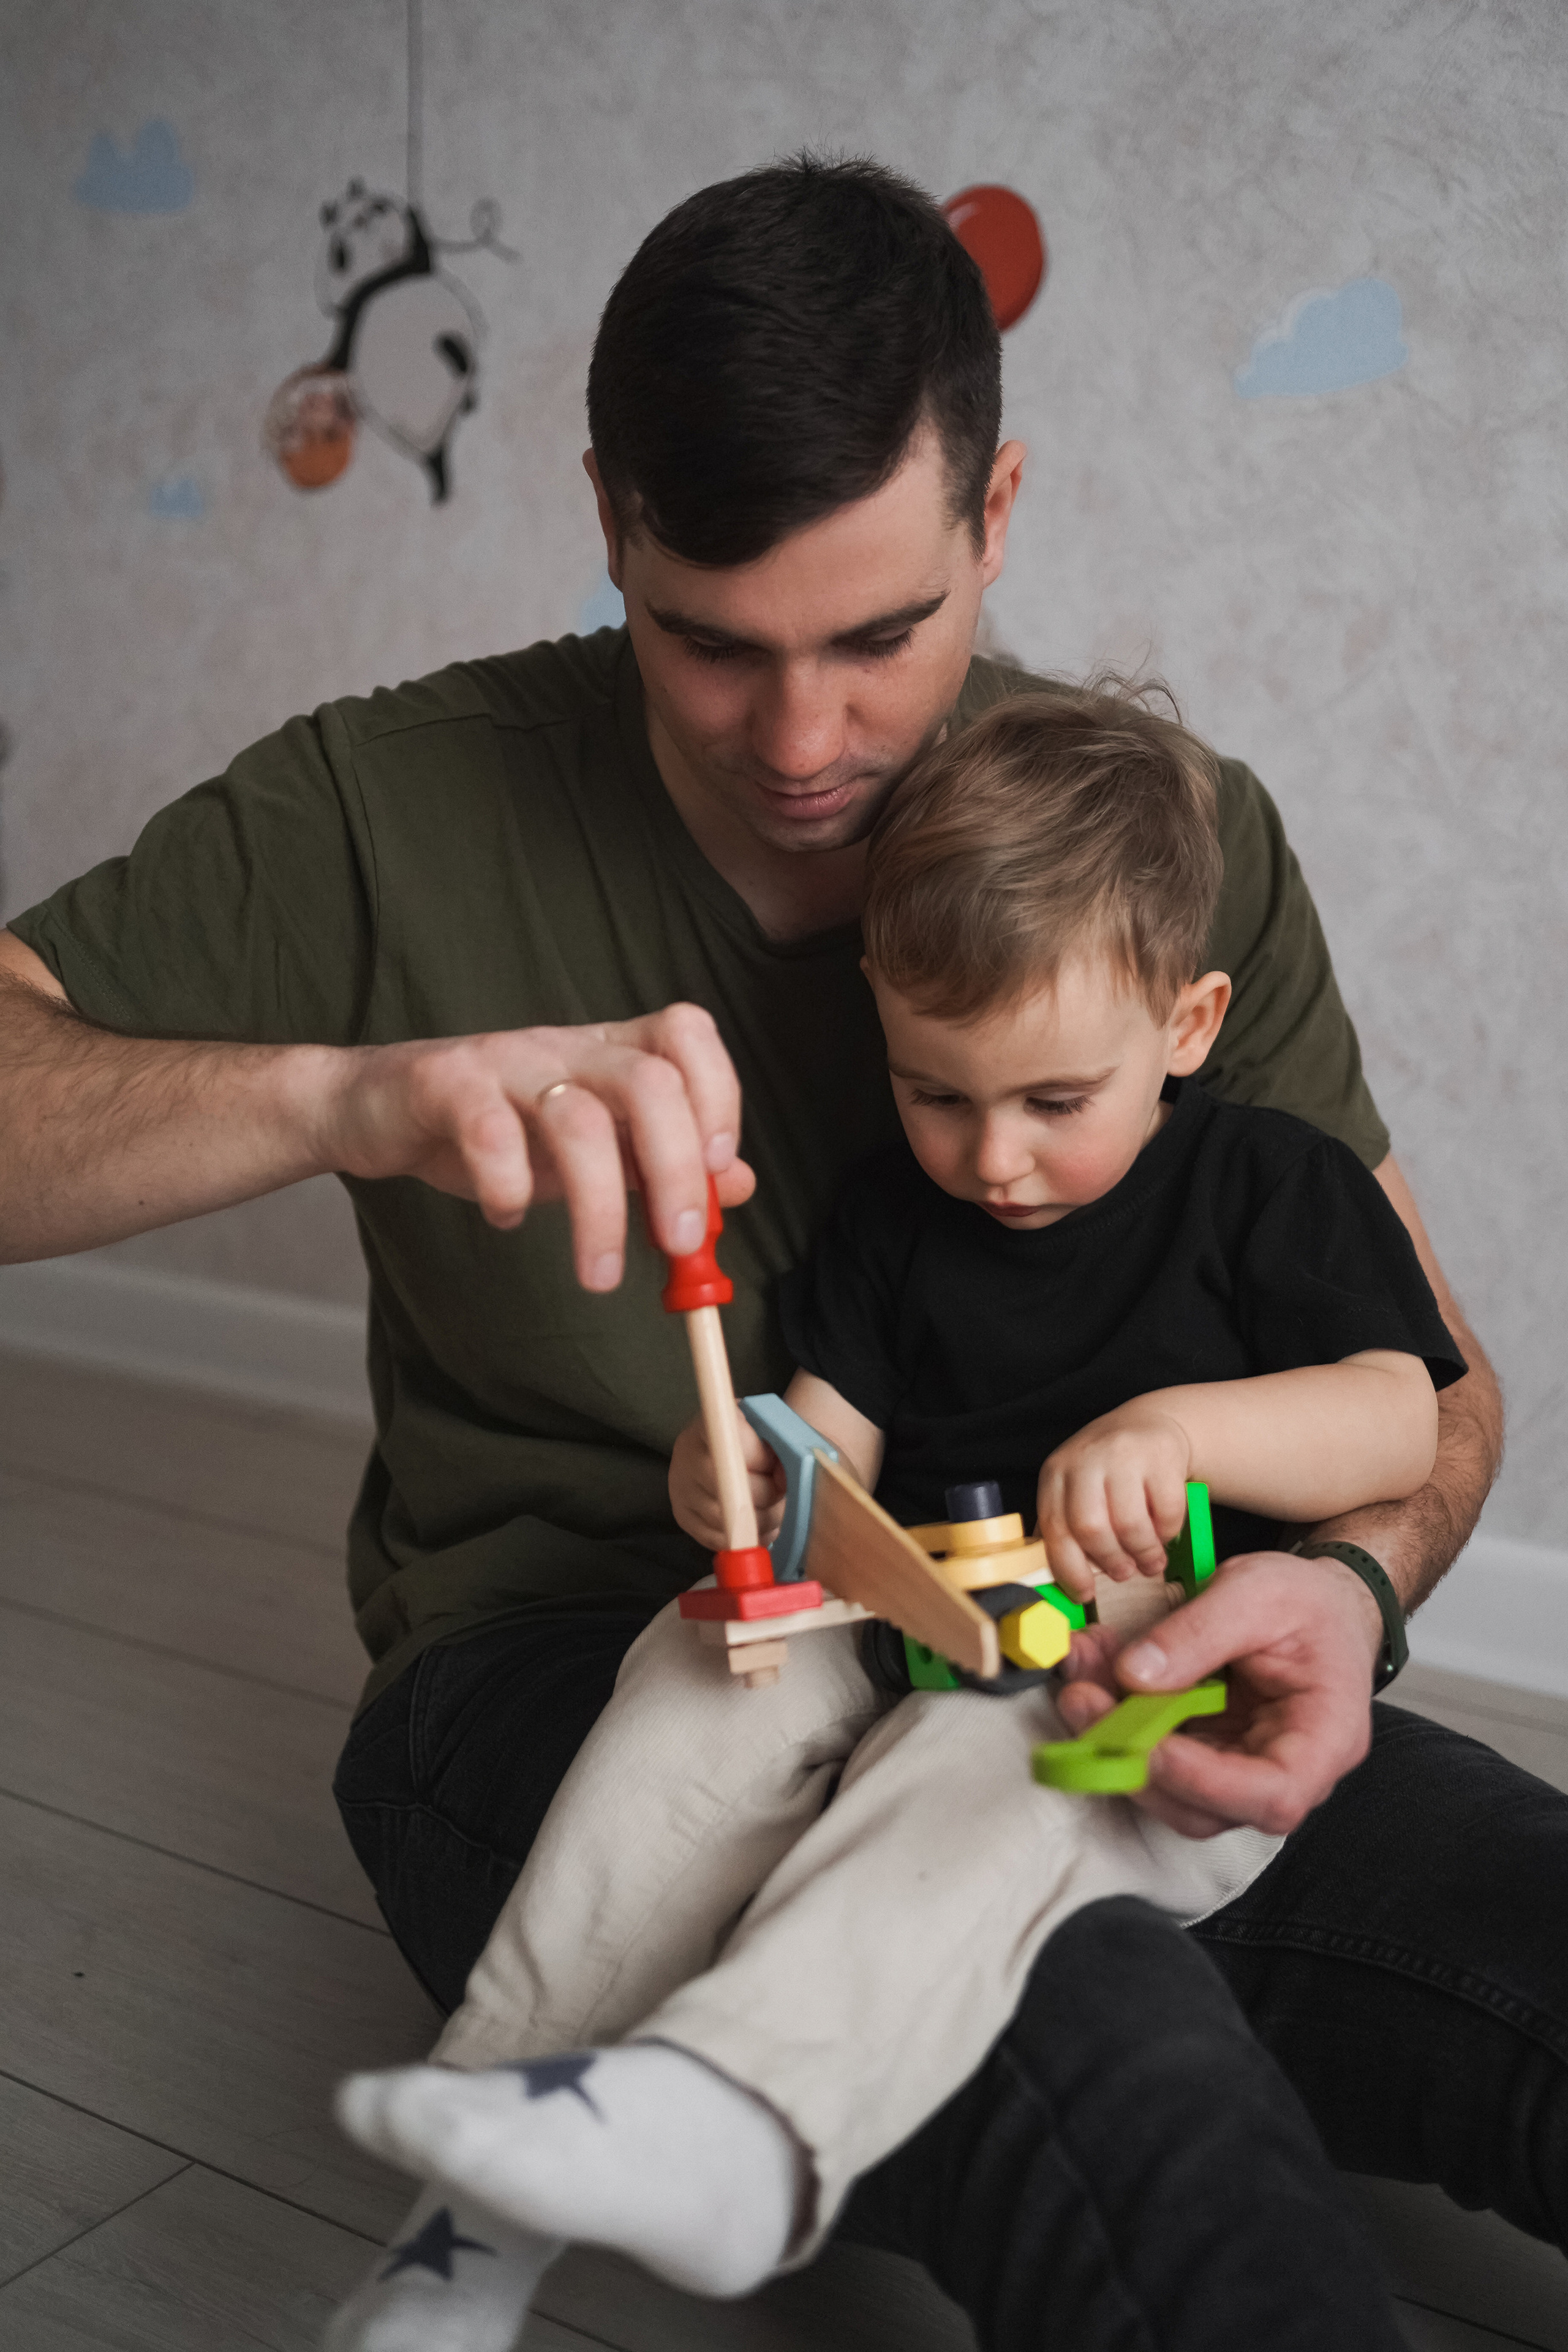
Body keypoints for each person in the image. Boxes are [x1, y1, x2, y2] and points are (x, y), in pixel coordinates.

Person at [0, 155, 1555, 2352]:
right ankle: (553, 2177)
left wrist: (1346, 1586)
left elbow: (1431, 1394)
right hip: (587, 1665)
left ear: (995, 512)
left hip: (1110, 1672)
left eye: (881, 639)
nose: (807, 745)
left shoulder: (1163, 852)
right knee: (1093, 2035)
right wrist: (345, 1095)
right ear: (607, 520)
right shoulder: (381, 806)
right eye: (709, 642)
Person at [324, 684, 1463, 2352]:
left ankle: (741, 2116)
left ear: (1190, 1021)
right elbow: (826, 1447)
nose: (992, 1156)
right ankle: (480, 2204)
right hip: (921, 1601)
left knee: (993, 1736)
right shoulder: (890, 1218)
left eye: (1054, 1102)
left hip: (1139, 1669)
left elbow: (1401, 1411)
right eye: (937, 1093)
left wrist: (1182, 1432)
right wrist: (745, 1470)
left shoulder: (1269, 1184)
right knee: (694, 1675)